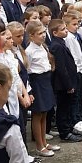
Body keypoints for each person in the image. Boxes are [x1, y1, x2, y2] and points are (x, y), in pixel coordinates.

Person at [25, 20, 61, 152]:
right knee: (38, 113)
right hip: (37, 82)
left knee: (45, 112)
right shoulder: (29, 51)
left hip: (46, 80)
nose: (43, 35)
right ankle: (39, 146)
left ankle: (45, 142)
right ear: (31, 35)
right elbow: (27, 70)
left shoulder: (43, 46)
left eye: (44, 32)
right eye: (39, 33)